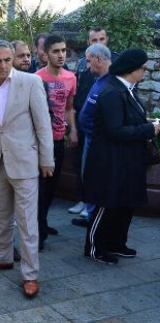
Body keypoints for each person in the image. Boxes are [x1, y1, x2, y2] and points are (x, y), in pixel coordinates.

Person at [0, 40, 54, 299]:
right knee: (1, 217)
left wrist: (46, 159)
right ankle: (3, 257)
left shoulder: (30, 83)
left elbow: (43, 124)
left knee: (28, 223)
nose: (4, 65)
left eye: (8, 60)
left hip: (25, 162)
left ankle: (30, 275)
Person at [83, 48, 160, 265]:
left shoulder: (128, 89)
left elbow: (130, 121)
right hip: (111, 160)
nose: (145, 72)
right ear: (132, 68)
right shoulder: (112, 92)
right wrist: (149, 130)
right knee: (107, 203)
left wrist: (147, 125)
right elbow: (114, 130)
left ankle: (116, 243)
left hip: (127, 158)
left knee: (125, 203)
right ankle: (95, 247)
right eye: (143, 68)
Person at [0, 40, 33, 242]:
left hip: (22, 156)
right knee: (2, 204)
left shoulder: (31, 82)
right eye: (21, 56)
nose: (26, 59)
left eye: (28, 55)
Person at [70, 27, 120, 226]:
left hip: (99, 132)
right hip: (84, 127)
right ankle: (86, 204)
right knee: (83, 168)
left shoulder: (115, 65)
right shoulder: (83, 63)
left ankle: (93, 214)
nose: (98, 42)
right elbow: (79, 92)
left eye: (101, 39)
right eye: (94, 39)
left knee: (94, 172)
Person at [35, 34, 78, 251]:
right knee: (40, 188)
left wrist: (74, 131)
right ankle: (38, 232)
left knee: (52, 187)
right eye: (56, 51)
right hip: (40, 143)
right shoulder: (36, 78)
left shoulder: (71, 78)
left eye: (63, 50)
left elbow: (69, 107)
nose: (61, 55)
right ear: (46, 54)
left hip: (59, 139)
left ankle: (42, 222)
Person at [74, 43, 111, 229]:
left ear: (98, 59)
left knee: (94, 177)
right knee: (87, 175)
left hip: (97, 139)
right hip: (89, 137)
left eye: (89, 61)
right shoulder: (98, 79)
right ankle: (90, 214)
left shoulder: (111, 82)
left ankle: (94, 217)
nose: (87, 66)